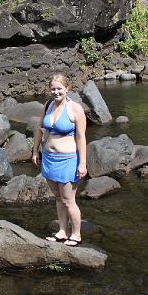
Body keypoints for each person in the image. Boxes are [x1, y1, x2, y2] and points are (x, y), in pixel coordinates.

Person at [31, 74, 87, 246]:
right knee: (57, 197)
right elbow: (40, 129)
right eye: (53, 89)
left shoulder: (75, 108)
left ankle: (76, 235)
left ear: (67, 89)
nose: (56, 92)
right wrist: (35, 151)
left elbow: (81, 137)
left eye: (59, 88)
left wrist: (82, 163)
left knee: (69, 200)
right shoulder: (48, 105)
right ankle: (62, 231)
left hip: (67, 160)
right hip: (48, 158)